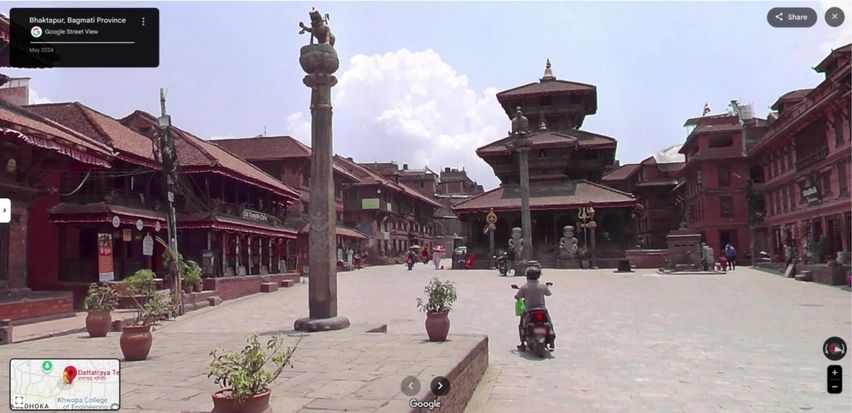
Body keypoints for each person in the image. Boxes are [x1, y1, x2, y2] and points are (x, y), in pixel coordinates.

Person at [514, 266, 553, 351]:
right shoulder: (542, 285)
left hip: (529, 310)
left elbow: (518, 296)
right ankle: (551, 335)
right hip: (542, 310)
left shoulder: (524, 286)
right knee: (549, 322)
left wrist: (518, 297)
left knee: (521, 326)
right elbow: (549, 294)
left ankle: (522, 345)